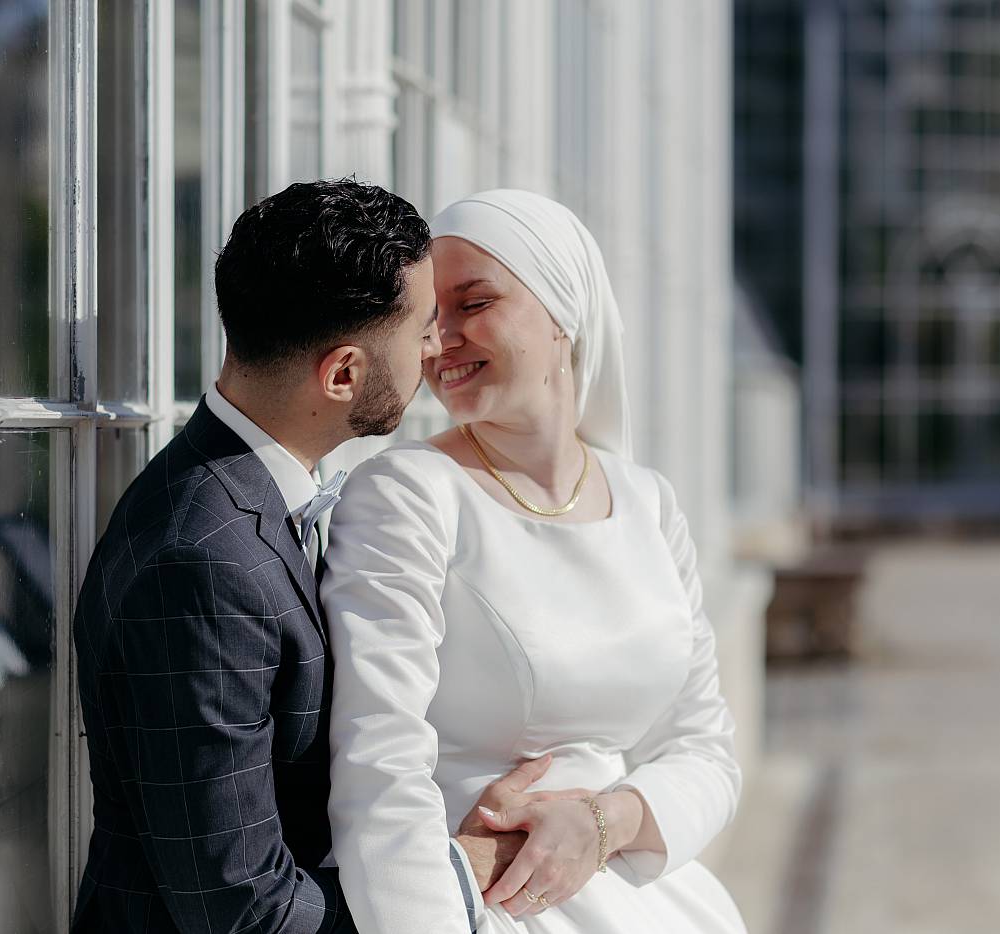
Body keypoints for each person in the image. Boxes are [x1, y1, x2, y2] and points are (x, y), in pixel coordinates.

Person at [70, 179, 533, 934]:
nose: (436, 346)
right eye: (421, 329)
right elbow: (243, 911)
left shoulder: (243, 495)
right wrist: (449, 880)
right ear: (343, 374)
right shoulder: (203, 563)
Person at [322, 189, 750, 933]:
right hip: (484, 910)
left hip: (657, 904)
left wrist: (603, 821)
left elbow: (706, 750)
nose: (439, 340)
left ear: (563, 312)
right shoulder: (408, 494)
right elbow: (376, 764)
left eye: (474, 302)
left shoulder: (649, 503)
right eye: (428, 318)